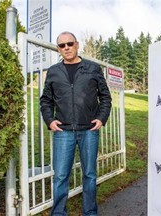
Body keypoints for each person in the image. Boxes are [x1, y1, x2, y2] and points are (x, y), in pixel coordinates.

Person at [40, 31, 112, 216]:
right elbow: (45, 100)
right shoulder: (54, 72)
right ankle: (58, 213)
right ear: (58, 49)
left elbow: (105, 97)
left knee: (89, 175)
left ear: (77, 44)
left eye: (69, 44)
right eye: (62, 45)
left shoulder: (93, 68)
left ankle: (90, 212)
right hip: (63, 131)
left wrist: (101, 118)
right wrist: (50, 120)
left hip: (89, 130)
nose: (66, 48)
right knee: (61, 177)